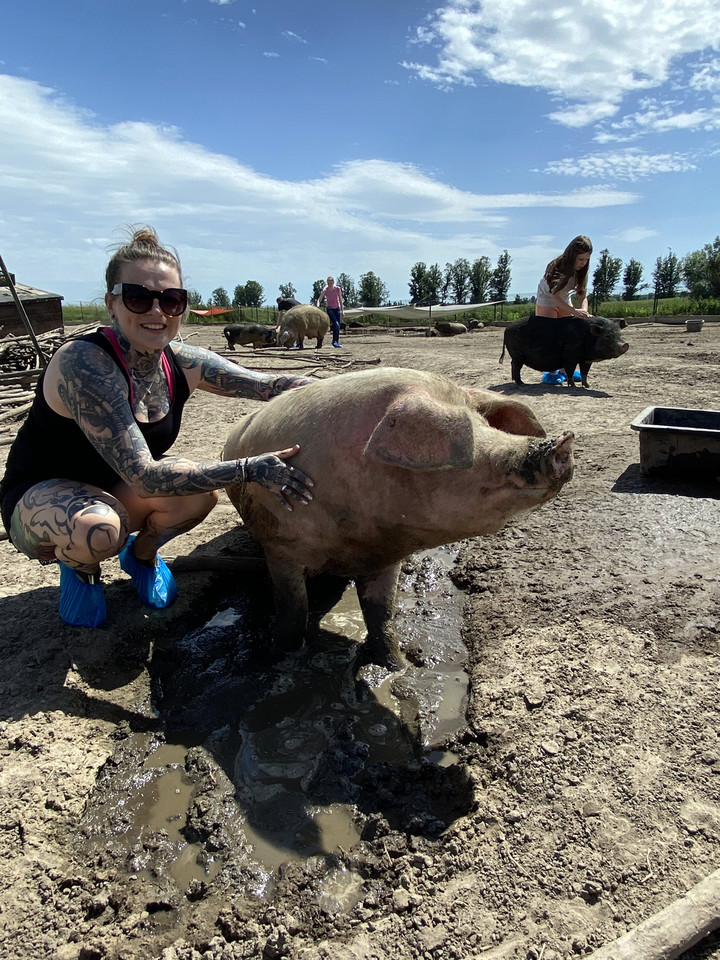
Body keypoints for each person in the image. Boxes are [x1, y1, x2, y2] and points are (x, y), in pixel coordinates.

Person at [0, 226, 315, 628]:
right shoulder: (85, 364)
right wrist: (250, 468)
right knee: (99, 530)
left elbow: (269, 386)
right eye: (137, 297)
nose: (156, 311)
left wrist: (348, 394)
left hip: (115, 489)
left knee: (198, 499)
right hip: (43, 495)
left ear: (182, 306)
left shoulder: (183, 361)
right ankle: (81, 570)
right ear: (112, 303)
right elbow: (145, 477)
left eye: (170, 299)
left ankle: (142, 556)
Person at [535, 235, 593, 383]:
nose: (583, 263)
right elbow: (554, 297)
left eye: (586, 259)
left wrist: (583, 311)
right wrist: (574, 312)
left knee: (569, 335)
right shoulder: (557, 267)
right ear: (572, 255)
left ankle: (566, 370)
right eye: (580, 259)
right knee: (551, 336)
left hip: (564, 300)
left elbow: (582, 295)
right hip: (547, 300)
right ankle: (551, 371)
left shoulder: (582, 271)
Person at [317, 277, 344, 348]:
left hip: (337, 308)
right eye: (328, 283)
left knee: (338, 326)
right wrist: (318, 305)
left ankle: (336, 341)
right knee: (336, 324)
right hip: (330, 309)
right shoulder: (325, 290)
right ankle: (334, 341)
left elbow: (340, 300)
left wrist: (342, 311)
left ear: (333, 282)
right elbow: (319, 299)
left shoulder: (338, 289)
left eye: (331, 283)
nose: (329, 284)